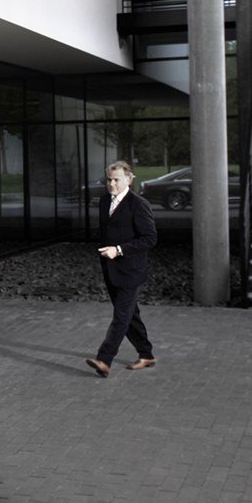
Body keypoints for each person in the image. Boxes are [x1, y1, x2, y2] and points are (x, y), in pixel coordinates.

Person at [86, 160, 158, 377]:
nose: (112, 184)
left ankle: (104, 359)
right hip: (110, 269)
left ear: (129, 179)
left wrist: (118, 250)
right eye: (109, 179)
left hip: (131, 271)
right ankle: (147, 354)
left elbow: (150, 238)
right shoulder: (104, 201)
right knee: (130, 315)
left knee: (121, 316)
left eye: (116, 180)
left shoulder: (138, 204)